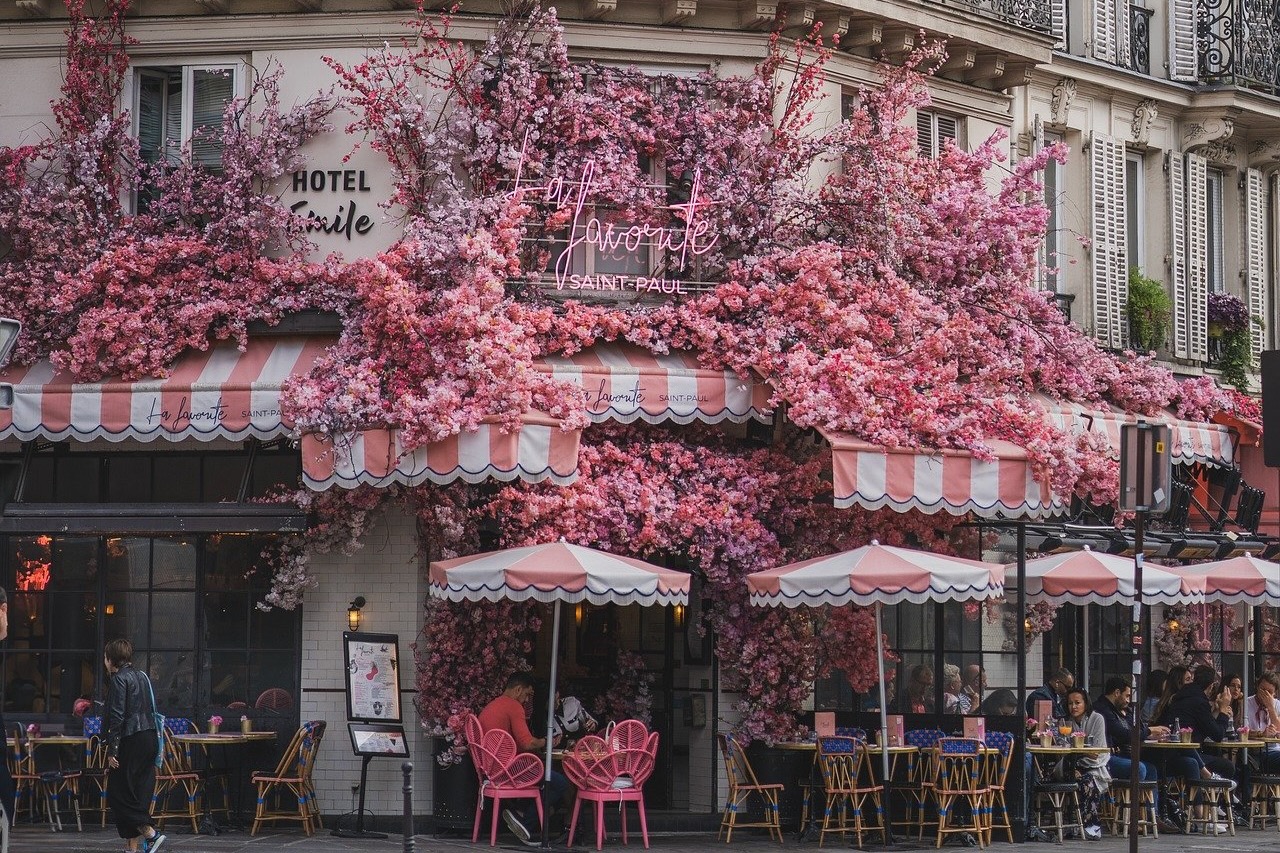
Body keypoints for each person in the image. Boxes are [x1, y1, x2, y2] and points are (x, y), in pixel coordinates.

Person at [478, 672, 570, 845]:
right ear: (518, 689)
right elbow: (527, 743)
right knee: (559, 783)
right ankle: (525, 822)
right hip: (509, 771)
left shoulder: (491, 706)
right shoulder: (513, 706)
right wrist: (547, 741)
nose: (527, 700)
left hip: (491, 769)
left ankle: (520, 812)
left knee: (546, 776)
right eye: (527, 694)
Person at [1093, 676, 1182, 833]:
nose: (1128, 700)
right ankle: (1132, 816)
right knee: (1139, 768)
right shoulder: (1102, 710)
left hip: (1123, 755)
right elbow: (1124, 734)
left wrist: (1148, 735)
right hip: (1106, 758)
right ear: (1116, 693)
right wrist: (1149, 730)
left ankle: (1152, 815)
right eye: (1127, 696)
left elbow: (1134, 730)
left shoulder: (1122, 710)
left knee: (1152, 769)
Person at [104, 638, 166, 853]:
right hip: (149, 737)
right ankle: (132, 848)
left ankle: (150, 833)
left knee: (117, 793)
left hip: (131, 739)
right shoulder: (142, 676)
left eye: (105, 657)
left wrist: (112, 750)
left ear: (111, 659)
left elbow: (118, 716)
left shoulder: (118, 679)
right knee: (136, 792)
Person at [1060, 687, 1110, 839]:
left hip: (1095, 766)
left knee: (1088, 782)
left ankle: (1092, 825)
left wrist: (1078, 753)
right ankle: (1074, 824)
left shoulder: (1097, 719)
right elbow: (1062, 747)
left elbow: (1097, 751)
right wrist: (1079, 755)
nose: (1073, 707)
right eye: (1070, 703)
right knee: (1076, 779)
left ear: (1086, 704)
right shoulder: (1065, 722)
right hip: (1070, 765)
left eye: (1077, 703)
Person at [1244, 671, 1280, 772]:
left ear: (1275, 693)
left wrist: (1271, 708)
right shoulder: (1246, 703)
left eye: (1269, 692)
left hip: (1274, 750)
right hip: (1255, 753)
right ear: (1257, 687)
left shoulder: (1277, 705)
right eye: (1263, 690)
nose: (1265, 694)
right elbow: (1242, 731)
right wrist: (1261, 734)